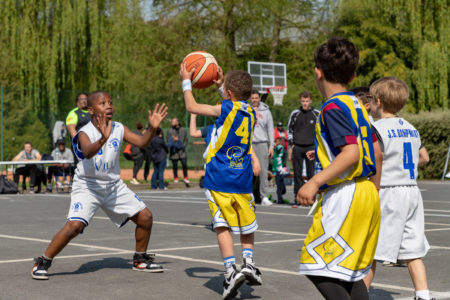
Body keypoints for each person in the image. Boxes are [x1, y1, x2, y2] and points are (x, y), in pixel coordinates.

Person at [31, 91, 168, 280]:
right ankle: (42, 261)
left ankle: (140, 259)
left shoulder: (119, 127)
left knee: (145, 217)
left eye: (110, 102)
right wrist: (103, 138)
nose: (109, 106)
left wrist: (152, 128)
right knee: (75, 226)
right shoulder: (84, 132)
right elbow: (87, 152)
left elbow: (143, 142)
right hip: (88, 186)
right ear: (90, 110)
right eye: (103, 103)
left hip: (113, 186)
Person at [297, 37, 383, 300]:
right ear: (354, 74)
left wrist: (314, 181)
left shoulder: (332, 107)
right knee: (350, 272)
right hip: (365, 191)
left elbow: (351, 153)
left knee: (316, 265)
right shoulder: (356, 104)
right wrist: (373, 191)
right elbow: (376, 151)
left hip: (345, 194)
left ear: (317, 72)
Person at [180, 63, 263, 300]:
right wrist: (222, 87)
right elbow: (234, 105)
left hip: (219, 178)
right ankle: (248, 262)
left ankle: (230, 271)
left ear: (228, 94)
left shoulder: (225, 108)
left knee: (222, 226)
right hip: (243, 179)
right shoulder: (251, 111)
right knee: (247, 224)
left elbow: (191, 105)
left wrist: (187, 80)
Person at [363, 77, 433, 300]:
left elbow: (374, 157)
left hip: (388, 190)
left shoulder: (375, 128)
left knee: (371, 251)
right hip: (411, 191)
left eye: (371, 100)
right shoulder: (411, 128)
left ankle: (358, 295)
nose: (370, 105)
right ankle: (423, 295)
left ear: (379, 102)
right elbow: (423, 157)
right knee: (413, 250)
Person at [287, 91, 319, 198]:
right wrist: (292, 144)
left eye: (307, 101)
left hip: (311, 147)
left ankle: (311, 196)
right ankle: (297, 196)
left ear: (310, 101)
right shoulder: (295, 113)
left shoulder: (316, 114)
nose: (305, 103)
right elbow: (289, 130)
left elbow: (321, 131)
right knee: (297, 173)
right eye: (303, 101)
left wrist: (317, 145)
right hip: (298, 147)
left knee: (311, 174)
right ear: (300, 101)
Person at [250, 90, 274, 206]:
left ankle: (263, 196)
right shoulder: (246, 109)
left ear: (259, 99)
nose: (254, 100)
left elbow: (270, 129)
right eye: (252, 98)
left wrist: (271, 146)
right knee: (249, 171)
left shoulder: (266, 111)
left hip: (262, 143)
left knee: (263, 172)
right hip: (249, 144)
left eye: (256, 98)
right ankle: (248, 196)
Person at [167, 117, 189, 184]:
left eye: (173, 122)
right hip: (174, 152)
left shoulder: (183, 130)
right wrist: (173, 140)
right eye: (171, 122)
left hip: (182, 152)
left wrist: (182, 146)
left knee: (184, 164)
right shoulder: (170, 131)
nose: (172, 123)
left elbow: (186, 140)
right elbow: (168, 140)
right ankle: (176, 178)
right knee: (175, 166)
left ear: (177, 122)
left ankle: (186, 178)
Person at [272, 137, 286, 204]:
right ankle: (280, 200)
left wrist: (274, 146)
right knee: (279, 186)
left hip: (280, 168)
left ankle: (281, 196)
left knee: (280, 186)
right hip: (276, 169)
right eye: (276, 141)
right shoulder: (274, 151)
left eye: (278, 141)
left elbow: (279, 149)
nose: (276, 143)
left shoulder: (279, 147)